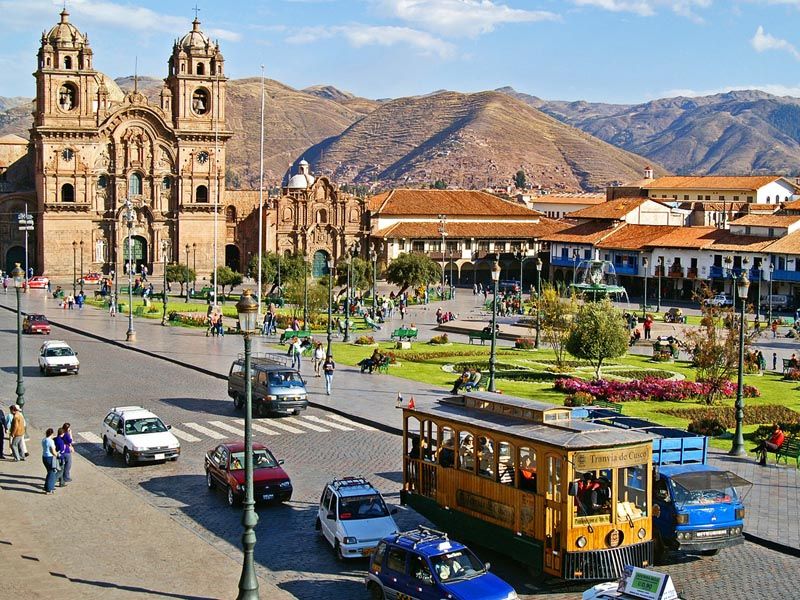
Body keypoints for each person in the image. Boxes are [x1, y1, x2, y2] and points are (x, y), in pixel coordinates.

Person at [42, 428, 58, 494]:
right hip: (50, 457)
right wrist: (57, 455)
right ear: (52, 434)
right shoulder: (51, 441)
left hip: (44, 457)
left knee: (49, 472)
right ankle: (49, 489)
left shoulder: (44, 440)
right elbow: (53, 451)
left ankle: (46, 486)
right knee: (52, 472)